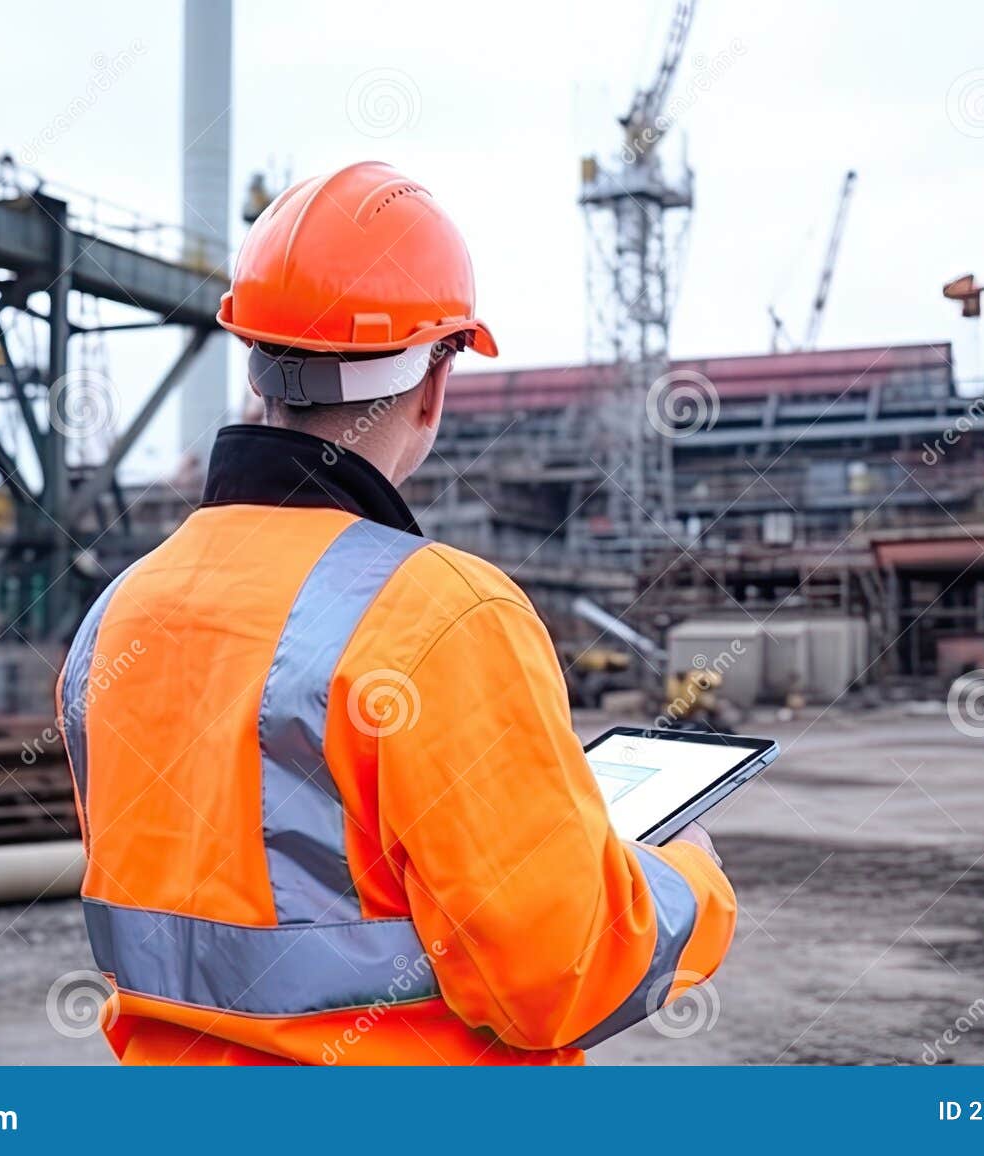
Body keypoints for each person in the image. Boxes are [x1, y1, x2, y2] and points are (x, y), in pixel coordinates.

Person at [57, 161, 737, 1065]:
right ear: (434, 382)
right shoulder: (443, 615)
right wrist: (692, 878)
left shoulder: (118, 612)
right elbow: (556, 974)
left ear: (259, 367)